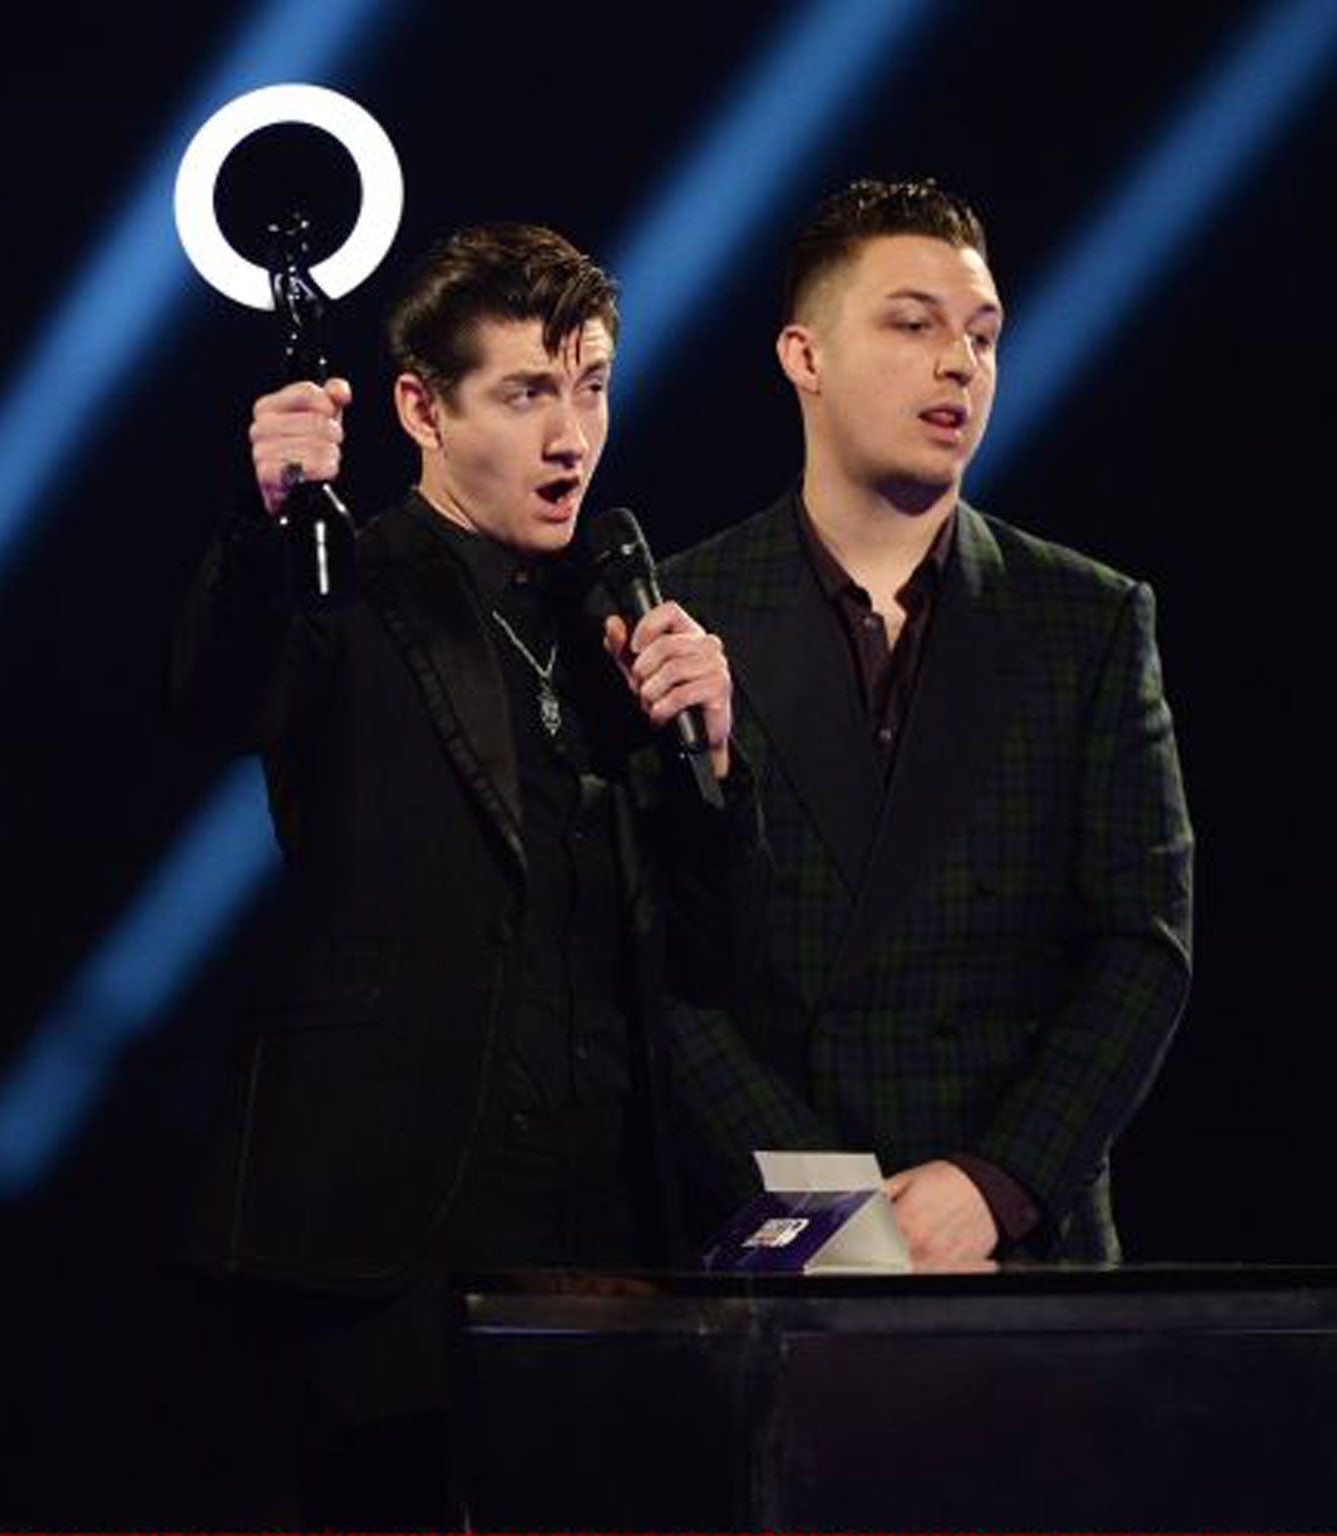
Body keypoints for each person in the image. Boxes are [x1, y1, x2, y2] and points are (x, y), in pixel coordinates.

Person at [170, 223, 753, 1526]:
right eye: (526, 394)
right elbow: (212, 700)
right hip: (390, 1239)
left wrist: (715, 757)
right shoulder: (344, 588)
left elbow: (718, 954)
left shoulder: (620, 616)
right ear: (421, 409)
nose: (570, 436)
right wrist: (269, 527)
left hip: (608, 1238)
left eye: (591, 386)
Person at [658, 178, 1194, 1267]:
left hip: (1018, 1252)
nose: (960, 363)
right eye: (912, 325)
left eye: (982, 335)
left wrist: (995, 1183)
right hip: (772, 1253)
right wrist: (826, 1210)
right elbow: (650, 962)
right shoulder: (676, 615)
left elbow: (1143, 945)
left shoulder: (1086, 618)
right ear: (802, 357)